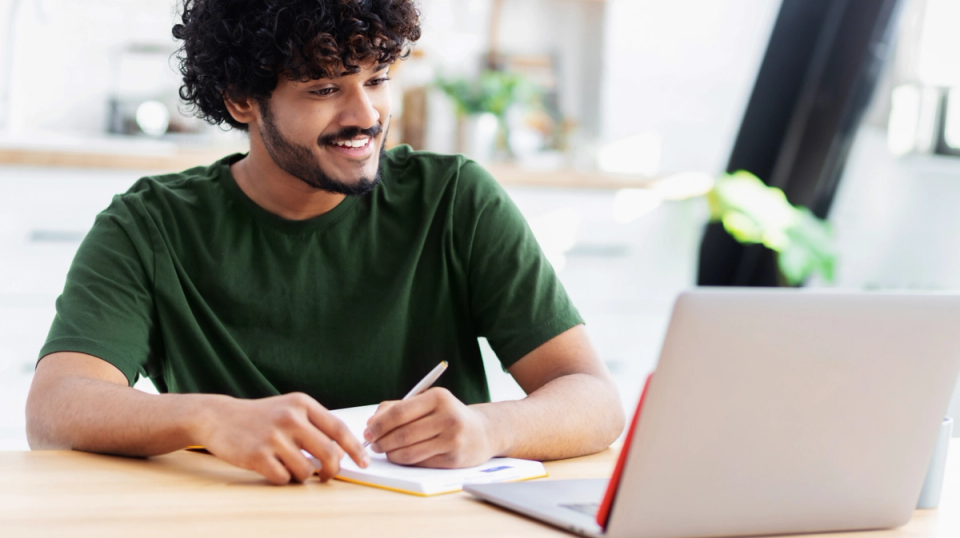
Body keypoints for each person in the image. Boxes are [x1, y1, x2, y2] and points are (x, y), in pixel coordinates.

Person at [25, 0, 625, 485]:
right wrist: (207, 418)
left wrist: (493, 429)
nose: (366, 115)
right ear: (242, 100)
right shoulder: (150, 225)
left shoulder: (453, 199)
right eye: (324, 89)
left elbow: (594, 399)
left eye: (378, 79)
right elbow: (56, 408)